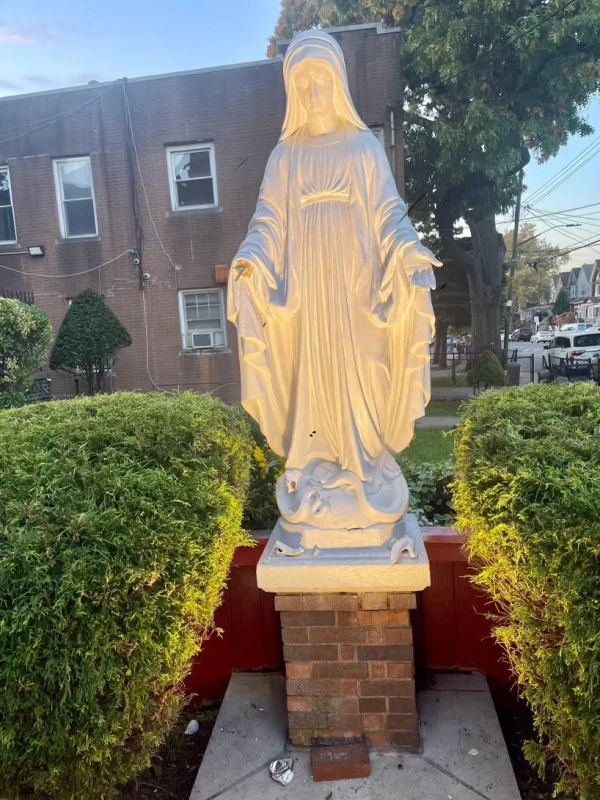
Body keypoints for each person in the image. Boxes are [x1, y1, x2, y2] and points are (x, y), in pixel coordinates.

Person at [228, 30, 441, 529]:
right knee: (309, 374)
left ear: (338, 83)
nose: (313, 90)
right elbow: (268, 220)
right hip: (304, 292)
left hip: (355, 286)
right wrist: (251, 259)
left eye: (321, 79)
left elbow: (389, 212)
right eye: (303, 82)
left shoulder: (362, 146)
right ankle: (312, 459)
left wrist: (408, 250)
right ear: (293, 92)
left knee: (364, 373)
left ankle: (364, 461)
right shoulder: (285, 156)